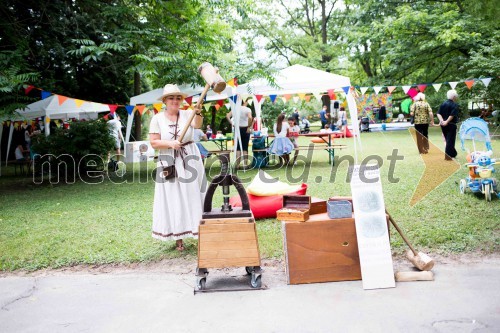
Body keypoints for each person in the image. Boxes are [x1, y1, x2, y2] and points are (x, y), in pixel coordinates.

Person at [149, 84, 206, 252]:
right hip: (169, 160)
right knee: (173, 197)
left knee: (193, 194)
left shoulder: (188, 114)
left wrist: (199, 111)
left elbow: (197, 124)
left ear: (181, 100)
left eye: (177, 98)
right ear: (165, 100)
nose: (175, 101)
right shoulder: (157, 118)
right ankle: (178, 237)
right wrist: (170, 143)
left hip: (189, 157)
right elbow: (154, 142)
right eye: (171, 98)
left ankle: (199, 232)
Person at [226, 99, 252, 169]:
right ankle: (245, 165)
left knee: (237, 148)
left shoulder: (235, 109)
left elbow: (227, 116)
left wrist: (232, 124)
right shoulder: (247, 109)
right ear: (246, 102)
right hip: (245, 128)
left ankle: (237, 165)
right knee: (245, 148)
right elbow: (250, 117)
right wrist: (249, 126)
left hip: (237, 129)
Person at [437, 89, 459, 161]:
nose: (456, 97)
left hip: (443, 125)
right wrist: (446, 121)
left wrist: (442, 121)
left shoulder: (443, 104)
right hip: (451, 124)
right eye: (455, 96)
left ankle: (453, 153)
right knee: (450, 140)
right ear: (453, 97)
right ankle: (448, 156)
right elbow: (452, 115)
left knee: (448, 139)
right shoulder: (454, 105)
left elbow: (438, 113)